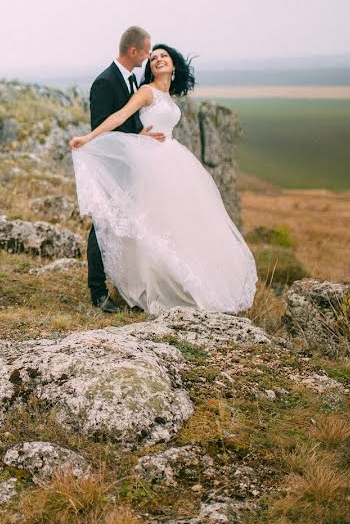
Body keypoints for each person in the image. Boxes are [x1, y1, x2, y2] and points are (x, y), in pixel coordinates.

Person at [69, 43, 256, 314]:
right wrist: (88, 138)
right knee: (149, 222)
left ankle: (181, 281)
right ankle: (142, 286)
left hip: (172, 161)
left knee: (175, 222)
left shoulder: (168, 97)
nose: (158, 60)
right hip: (149, 164)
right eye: (153, 57)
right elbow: (120, 115)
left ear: (173, 64)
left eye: (163, 56)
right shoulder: (147, 92)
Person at [84, 26, 166, 313]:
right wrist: (136, 138)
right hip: (111, 169)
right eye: (146, 51)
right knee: (101, 226)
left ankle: (125, 281)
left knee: (126, 226)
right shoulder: (105, 82)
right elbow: (103, 130)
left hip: (132, 170)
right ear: (134, 51)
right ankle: (97, 291)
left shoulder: (132, 81)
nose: (148, 56)